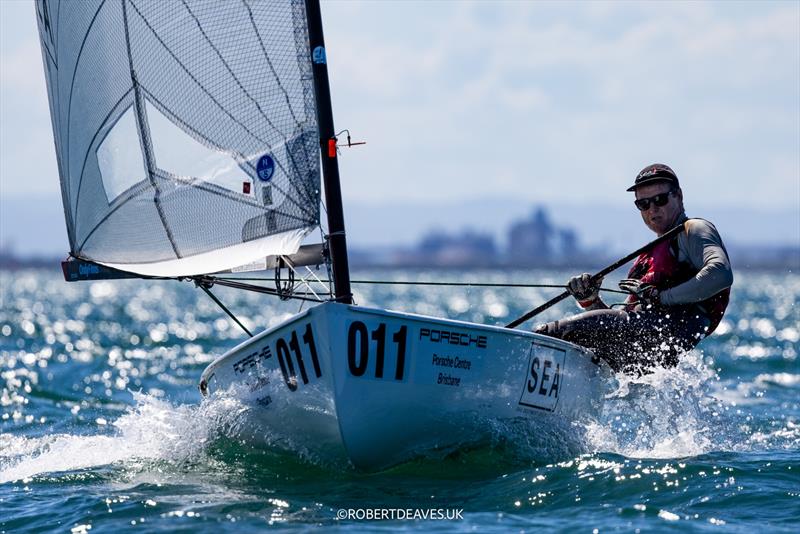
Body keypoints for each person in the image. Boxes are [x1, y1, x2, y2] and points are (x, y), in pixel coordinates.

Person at [534, 163, 733, 373]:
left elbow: (720, 273)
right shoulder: (647, 258)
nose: (652, 209)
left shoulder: (693, 229)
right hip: (643, 349)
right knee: (579, 344)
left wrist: (661, 297)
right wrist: (590, 300)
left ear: (679, 196)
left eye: (660, 200)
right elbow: (621, 326)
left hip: (665, 337)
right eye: (643, 204)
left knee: (547, 333)